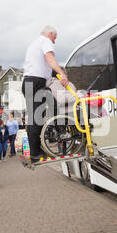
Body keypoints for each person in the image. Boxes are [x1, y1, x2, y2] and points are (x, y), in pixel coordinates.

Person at [22, 25, 70, 163]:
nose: (54, 42)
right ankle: (35, 154)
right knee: (36, 118)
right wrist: (62, 73)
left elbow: (46, 66)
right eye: (55, 38)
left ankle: (37, 150)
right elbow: (49, 58)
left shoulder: (34, 44)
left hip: (32, 82)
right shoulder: (45, 41)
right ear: (50, 34)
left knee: (38, 116)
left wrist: (57, 73)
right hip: (35, 81)